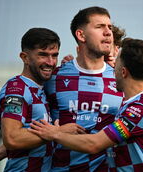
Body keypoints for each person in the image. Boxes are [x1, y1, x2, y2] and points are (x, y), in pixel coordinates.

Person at [29, 38, 143, 171]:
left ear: (123, 72)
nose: (112, 70)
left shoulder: (140, 109)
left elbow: (94, 144)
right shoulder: (137, 103)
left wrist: (54, 133)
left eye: (115, 65)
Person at [0, 28, 84, 171]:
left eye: (54, 55)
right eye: (43, 55)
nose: (50, 62)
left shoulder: (42, 88)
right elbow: (13, 138)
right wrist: (59, 132)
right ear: (25, 57)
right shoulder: (17, 89)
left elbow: (28, 135)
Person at [42, 6, 124, 171]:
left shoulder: (122, 79)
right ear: (81, 35)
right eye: (100, 27)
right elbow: (35, 127)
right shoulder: (54, 78)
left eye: (109, 27)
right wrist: (0, 152)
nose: (108, 32)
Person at [61, 24, 126, 67]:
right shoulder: (72, 68)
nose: (101, 54)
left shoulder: (123, 74)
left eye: (106, 44)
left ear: (116, 50)